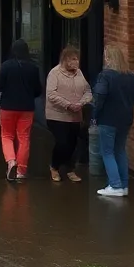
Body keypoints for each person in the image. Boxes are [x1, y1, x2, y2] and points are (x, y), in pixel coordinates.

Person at [93, 45, 134, 198]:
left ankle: (115, 185)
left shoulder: (105, 76)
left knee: (107, 152)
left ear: (108, 58)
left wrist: (94, 115)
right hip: (126, 119)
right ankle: (124, 185)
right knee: (120, 150)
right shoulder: (130, 76)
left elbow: (99, 98)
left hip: (108, 119)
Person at [0, 39, 42, 181]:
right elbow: (38, 90)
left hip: (8, 107)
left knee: (7, 136)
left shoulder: (6, 66)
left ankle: (11, 161)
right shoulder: (33, 67)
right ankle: (21, 170)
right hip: (27, 108)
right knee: (24, 138)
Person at [45, 46, 92, 182]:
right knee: (62, 142)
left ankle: (70, 169)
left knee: (72, 144)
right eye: (73, 59)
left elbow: (88, 91)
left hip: (75, 116)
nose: (76, 62)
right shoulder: (55, 73)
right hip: (57, 115)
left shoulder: (79, 73)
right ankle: (54, 166)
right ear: (65, 60)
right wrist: (68, 104)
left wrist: (81, 103)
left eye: (77, 59)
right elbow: (51, 94)